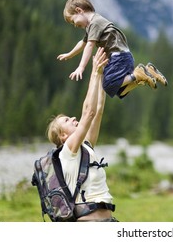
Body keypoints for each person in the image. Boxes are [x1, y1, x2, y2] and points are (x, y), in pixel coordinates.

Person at [47, 47, 118, 222]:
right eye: (66, 121)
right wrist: (93, 72)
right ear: (63, 136)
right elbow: (88, 113)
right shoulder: (68, 151)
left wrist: (101, 73)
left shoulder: (85, 147)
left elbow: (98, 110)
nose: (72, 118)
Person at [57, 0, 168, 99]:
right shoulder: (92, 25)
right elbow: (83, 42)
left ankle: (138, 74)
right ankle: (148, 71)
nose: (75, 25)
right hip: (123, 56)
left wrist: (81, 67)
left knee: (108, 85)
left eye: (73, 21)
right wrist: (69, 54)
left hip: (119, 57)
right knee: (120, 90)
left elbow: (89, 45)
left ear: (79, 11)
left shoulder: (94, 23)